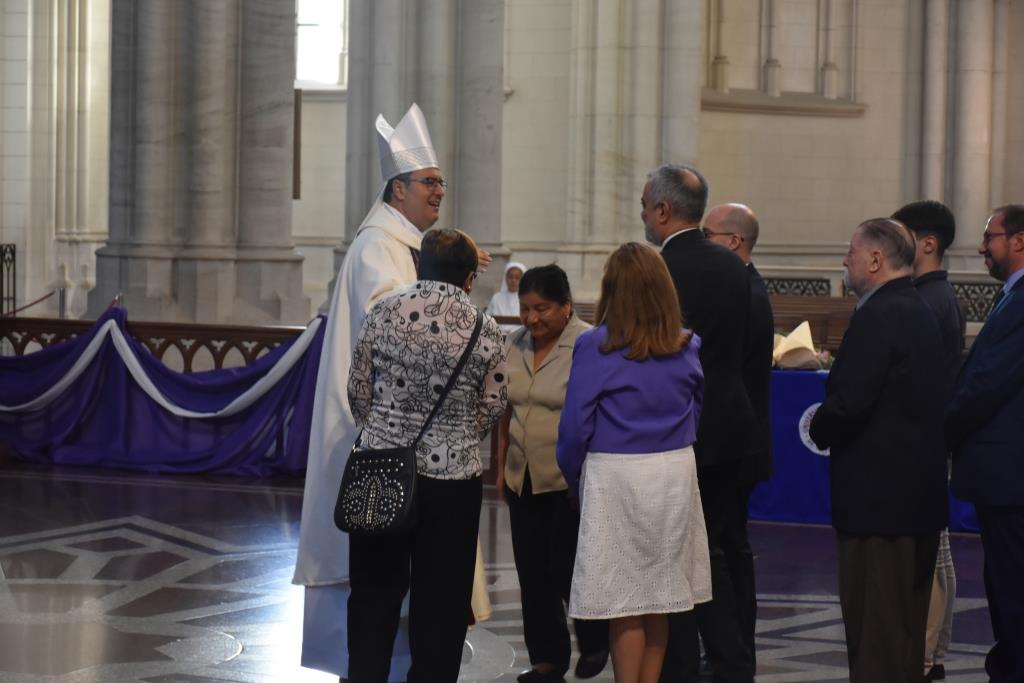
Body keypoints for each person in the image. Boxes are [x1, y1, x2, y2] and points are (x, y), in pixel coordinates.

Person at [292, 103, 490, 680]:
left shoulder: (405, 245)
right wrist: (452, 286)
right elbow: (399, 332)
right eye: (430, 183)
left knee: (408, 593)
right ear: (398, 188)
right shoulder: (380, 245)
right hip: (391, 455)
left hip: (414, 455)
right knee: (389, 592)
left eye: (441, 182)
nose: (439, 192)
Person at [346, 228, 508, 682]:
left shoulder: (383, 313)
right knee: (442, 599)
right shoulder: (484, 327)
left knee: (373, 592)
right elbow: (493, 403)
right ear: (470, 277)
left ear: (420, 266)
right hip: (452, 481)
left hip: (381, 469)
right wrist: (455, 435)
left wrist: (384, 430)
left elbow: (358, 388)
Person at [557, 242, 711, 683]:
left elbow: (573, 429)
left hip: (617, 476)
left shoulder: (595, 346)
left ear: (611, 291)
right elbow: (696, 410)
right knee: (659, 594)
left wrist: (573, 478)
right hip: (674, 472)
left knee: (624, 599)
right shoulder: (686, 344)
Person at [809, 218, 948, 683]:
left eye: (851, 251)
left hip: (877, 507)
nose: (844, 260)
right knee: (903, 635)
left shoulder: (879, 314)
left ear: (875, 259)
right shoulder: (918, 307)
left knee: (876, 633)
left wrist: (817, 425)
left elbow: (849, 403)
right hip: (915, 500)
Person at [640, 165, 757, 683]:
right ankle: (734, 661)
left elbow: (651, 355)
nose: (644, 215)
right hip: (731, 426)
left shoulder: (659, 271)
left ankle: (682, 664)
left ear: (663, 210)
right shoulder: (734, 266)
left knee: (678, 556)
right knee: (720, 552)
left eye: (645, 206)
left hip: (679, 431)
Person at [496, 264, 609, 683]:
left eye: (541, 308)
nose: (531, 318)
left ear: (566, 306)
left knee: (568, 567)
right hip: (522, 475)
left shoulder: (589, 345)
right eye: (525, 309)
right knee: (532, 572)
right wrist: (502, 464)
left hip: (569, 480)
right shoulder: (515, 344)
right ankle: (547, 659)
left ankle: (596, 637)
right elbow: (507, 409)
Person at [945, 204, 1024, 683]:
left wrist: (945, 429)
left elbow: (989, 381)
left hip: (1011, 476)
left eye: (990, 236)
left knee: (1013, 585)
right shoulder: (1010, 297)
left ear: (1019, 240)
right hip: (1006, 473)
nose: (981, 247)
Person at [891, 200, 965, 683]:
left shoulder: (929, 300)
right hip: (928, 438)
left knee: (933, 553)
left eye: (901, 235)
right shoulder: (932, 296)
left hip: (923, 441)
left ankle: (925, 655)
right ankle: (931, 651)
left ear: (927, 243)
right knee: (936, 551)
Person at [701, 203, 775, 671]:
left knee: (727, 550)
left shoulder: (743, 292)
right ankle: (731, 649)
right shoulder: (745, 286)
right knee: (729, 546)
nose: (701, 242)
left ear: (733, 242)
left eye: (706, 234)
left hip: (735, 443)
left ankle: (733, 651)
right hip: (740, 440)